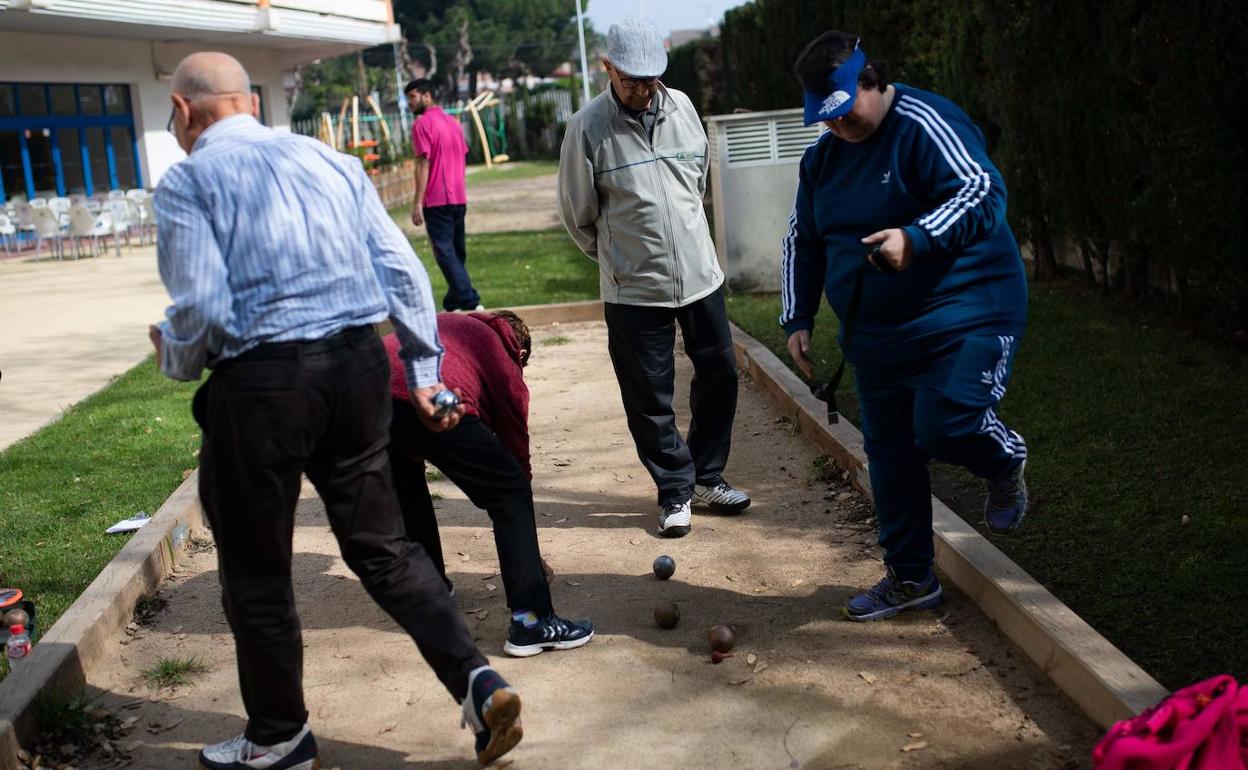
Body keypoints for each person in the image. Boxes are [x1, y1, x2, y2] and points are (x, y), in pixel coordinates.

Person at [150, 52, 521, 769]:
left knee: (256, 570)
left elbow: (201, 306)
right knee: (385, 548)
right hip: (355, 368)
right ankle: (476, 679)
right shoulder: (330, 162)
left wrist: (174, 354)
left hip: (264, 386)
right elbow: (402, 269)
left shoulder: (188, 182)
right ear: (250, 103)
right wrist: (421, 372)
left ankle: (278, 736)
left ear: (184, 109)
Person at [780, 31, 1031, 622]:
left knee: (945, 423)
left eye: (845, 113)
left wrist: (913, 239)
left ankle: (1003, 461)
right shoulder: (821, 158)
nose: (837, 127)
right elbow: (804, 237)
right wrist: (798, 315)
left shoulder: (924, 122)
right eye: (827, 119)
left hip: (966, 310)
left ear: (872, 81)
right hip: (878, 334)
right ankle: (911, 577)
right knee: (889, 455)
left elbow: (981, 192)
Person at [556, 17, 750, 539]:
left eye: (650, 79)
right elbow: (578, 214)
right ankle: (674, 491)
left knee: (720, 376)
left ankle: (708, 475)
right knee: (650, 395)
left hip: (700, 277)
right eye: (631, 80)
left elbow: (697, 178)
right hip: (634, 289)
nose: (643, 91)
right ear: (608, 68)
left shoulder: (683, 107)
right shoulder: (587, 127)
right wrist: (620, 261)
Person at [383, 310, 595, 657]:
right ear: (522, 353)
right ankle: (532, 623)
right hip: (435, 396)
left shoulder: (452, 323)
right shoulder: (503, 352)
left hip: (366, 392)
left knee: (404, 475)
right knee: (509, 491)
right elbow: (515, 445)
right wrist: (525, 545)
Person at [405, 78, 482, 312]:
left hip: (436, 200)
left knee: (445, 253)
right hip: (459, 197)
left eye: (413, 97)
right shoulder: (453, 123)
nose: (410, 103)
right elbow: (461, 156)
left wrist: (417, 201)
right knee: (456, 253)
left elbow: (422, 164)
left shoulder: (421, 125)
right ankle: (453, 303)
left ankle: (470, 301)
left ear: (427, 96)